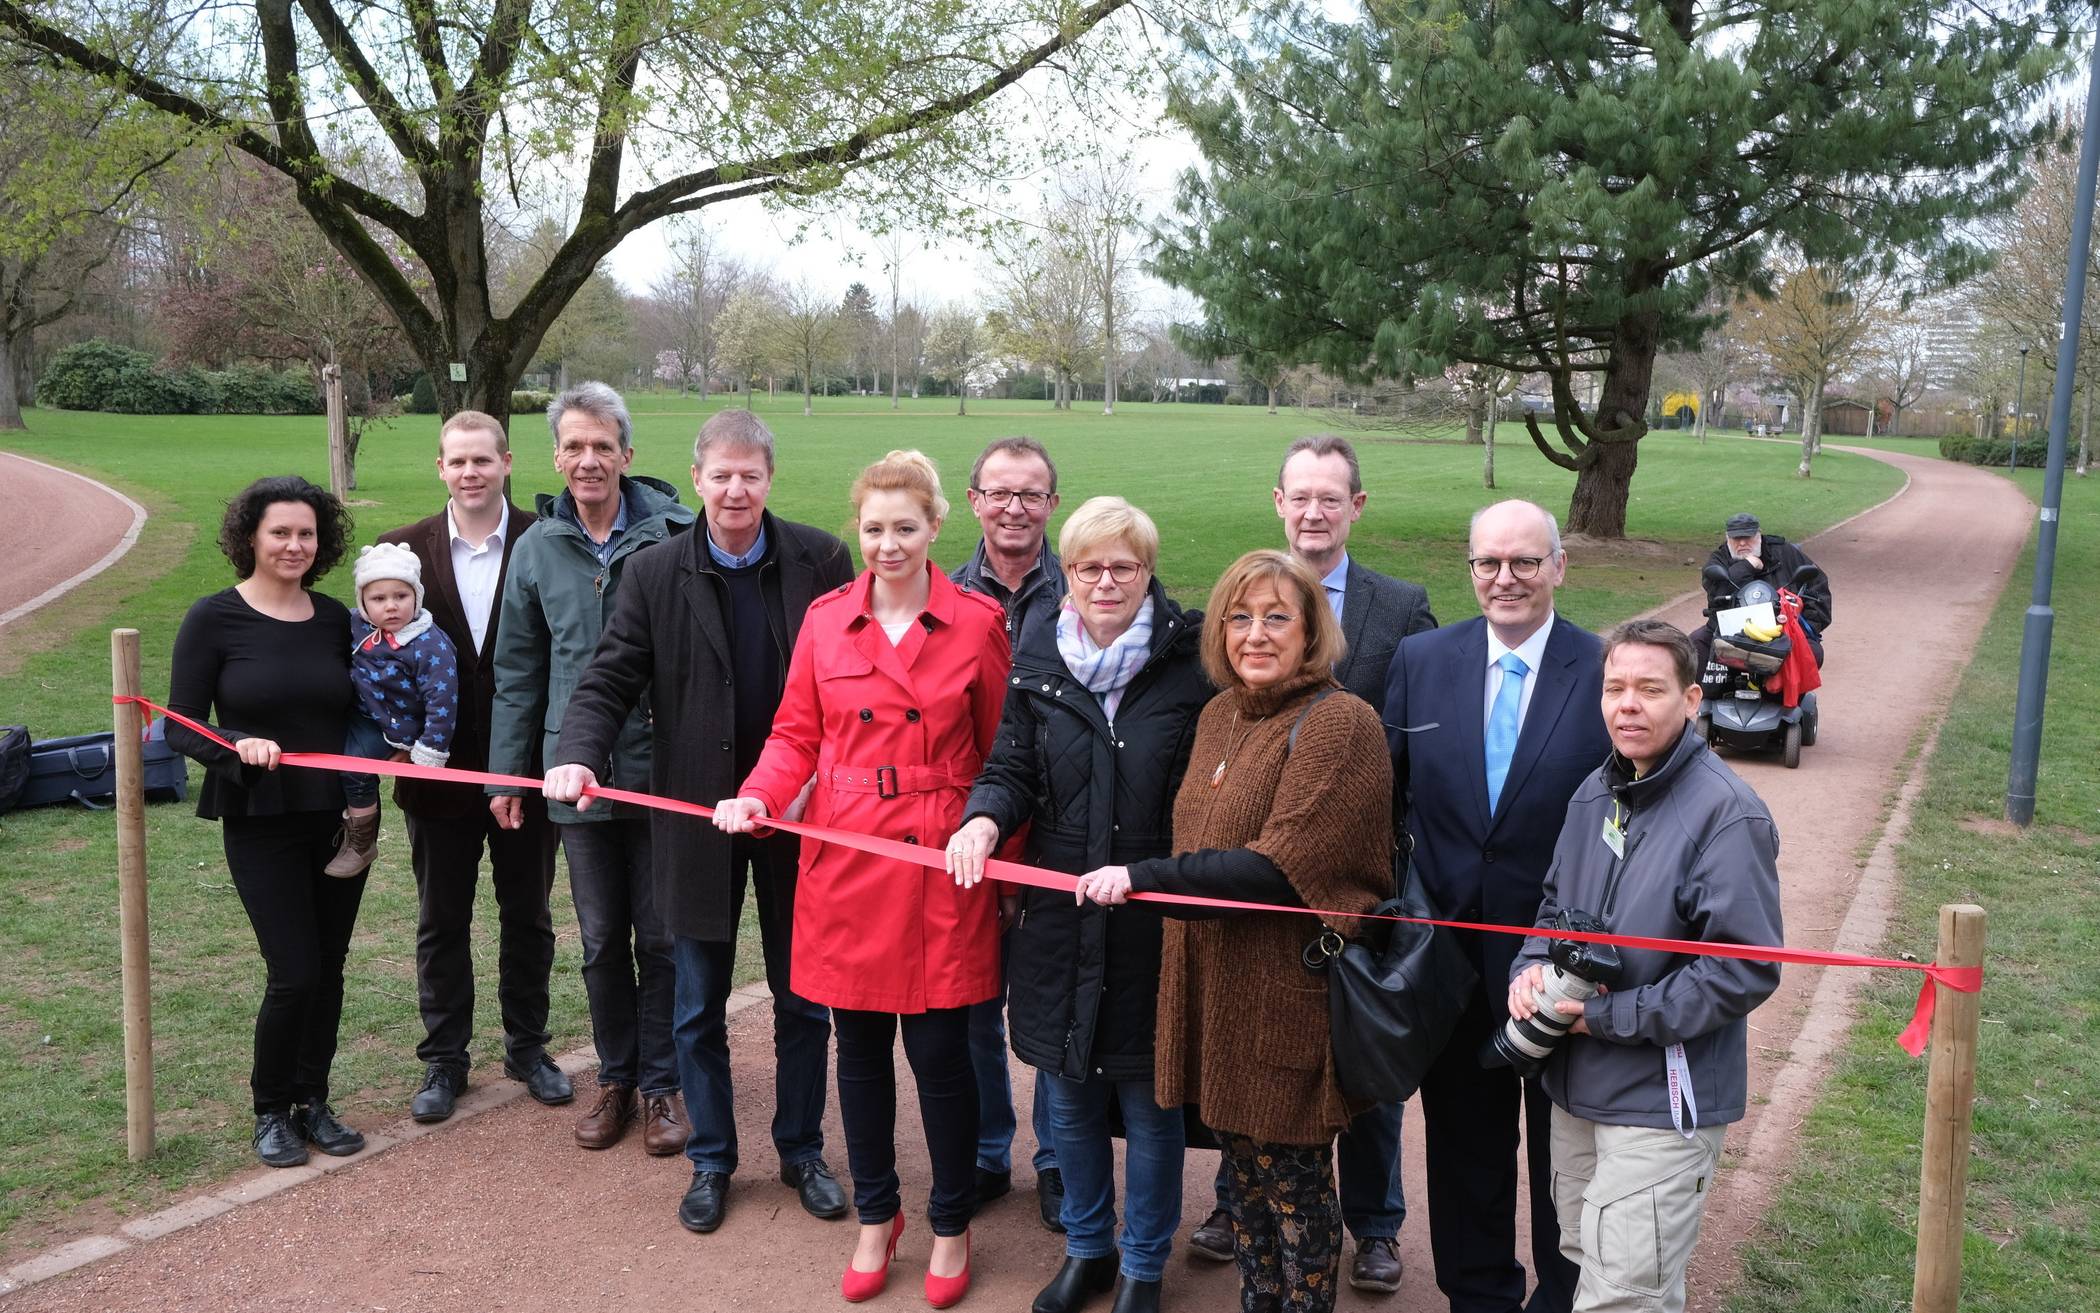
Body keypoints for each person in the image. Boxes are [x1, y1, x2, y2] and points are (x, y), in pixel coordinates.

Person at [545, 409, 855, 1235]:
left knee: (804, 999)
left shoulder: (822, 558)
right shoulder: (652, 573)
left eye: (750, 474)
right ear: (696, 480)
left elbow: (848, 679)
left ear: (770, 478)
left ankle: (800, 1150)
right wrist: (581, 753)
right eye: (721, 474)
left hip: (797, 813)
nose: (735, 489)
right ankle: (713, 1159)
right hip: (695, 813)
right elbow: (608, 680)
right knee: (695, 1005)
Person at [716, 450, 1010, 1308]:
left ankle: (951, 1222)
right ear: (860, 528)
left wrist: (1000, 855)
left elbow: (1003, 753)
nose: (888, 544)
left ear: (935, 526)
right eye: (874, 528)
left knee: (942, 1055)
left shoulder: (977, 621)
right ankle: (878, 1216)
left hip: (940, 861)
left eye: (905, 528)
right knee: (862, 1054)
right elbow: (794, 735)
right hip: (847, 858)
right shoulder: (824, 620)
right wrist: (759, 794)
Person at [1077, 549, 1395, 1313]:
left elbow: (1276, 867)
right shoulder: (1220, 715)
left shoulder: (1340, 723)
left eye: (1277, 616)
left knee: (1296, 1193)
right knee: (1244, 1189)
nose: (1255, 633)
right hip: (1216, 989)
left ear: (1312, 629)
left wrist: (1144, 878)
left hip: (1287, 997)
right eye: (1239, 617)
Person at [1184, 435, 1437, 1293]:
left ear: (1355, 505)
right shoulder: (1221, 711)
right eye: (1301, 495)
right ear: (1280, 500)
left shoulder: (1397, 613)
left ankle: (1376, 1224)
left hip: (1321, 917)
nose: (1315, 510)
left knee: (1343, 1108)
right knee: (1257, 1167)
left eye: (1332, 496)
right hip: (1229, 945)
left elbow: (1408, 751)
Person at [949, 497, 1210, 1313]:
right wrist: (984, 818)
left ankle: (1141, 1261)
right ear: (1069, 572)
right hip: (1060, 914)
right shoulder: (1040, 649)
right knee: (1067, 1089)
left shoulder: (1192, 658)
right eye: (1090, 566)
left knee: (1148, 1096)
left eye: (1123, 567)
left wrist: (1159, 876)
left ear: (1147, 572)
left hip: (1150, 910)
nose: (1106, 582)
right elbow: (1010, 764)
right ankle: (1089, 1247)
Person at [1508, 619, 1782, 1313]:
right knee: (1597, 1267)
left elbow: (1743, 968)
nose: (1627, 703)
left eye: (1649, 689)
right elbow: (1551, 907)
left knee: (1624, 1293)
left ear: (1691, 700)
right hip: (1578, 1092)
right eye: (1615, 687)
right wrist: (1530, 968)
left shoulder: (1728, 814)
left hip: (1661, 1102)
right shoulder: (1593, 794)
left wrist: (1600, 1017)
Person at [1381, 499, 1611, 1313]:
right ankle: (1478, 1295)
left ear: (1558, 566)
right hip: (1448, 965)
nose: (1504, 578)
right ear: (1470, 567)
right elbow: (1390, 795)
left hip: (1567, 968)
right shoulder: (1420, 659)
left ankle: (1564, 1295)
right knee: (1464, 1148)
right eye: (1488, 562)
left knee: (1566, 1152)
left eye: (1523, 561)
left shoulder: (1603, 667)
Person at [486, 382, 696, 1148]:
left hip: (660, 773)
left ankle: (664, 1085)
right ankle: (617, 1077)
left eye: (602, 445)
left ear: (628, 454)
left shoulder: (677, 535)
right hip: (571, 778)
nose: (587, 459)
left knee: (663, 936)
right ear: (555, 456)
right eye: (573, 446)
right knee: (603, 937)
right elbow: (518, 668)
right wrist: (510, 771)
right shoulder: (536, 548)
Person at [165, 475, 370, 1168]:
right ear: (250, 535)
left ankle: (313, 1099)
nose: (294, 544)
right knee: (294, 970)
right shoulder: (214, 618)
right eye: (280, 531)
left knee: (331, 967)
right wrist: (234, 745)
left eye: (306, 533)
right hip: (261, 815)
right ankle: (270, 1110)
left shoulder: (339, 618)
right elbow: (179, 727)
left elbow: (363, 709)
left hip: (341, 817)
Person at [374, 411, 562, 1126]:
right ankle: (444, 1058)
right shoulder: (401, 552)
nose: (471, 472)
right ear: (441, 467)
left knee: (529, 914)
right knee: (441, 918)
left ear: (507, 462)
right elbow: (376, 663)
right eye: (457, 461)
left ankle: (527, 1046)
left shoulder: (544, 541)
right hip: (436, 777)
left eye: (483, 459)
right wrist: (391, 736)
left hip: (525, 771)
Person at [949, 435, 1065, 1227]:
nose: (1014, 508)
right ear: (974, 501)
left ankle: (1058, 1158)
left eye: (1030, 494)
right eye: (1000, 493)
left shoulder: (1089, 583)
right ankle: (990, 1149)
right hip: (969, 827)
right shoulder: (942, 592)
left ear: (1052, 503)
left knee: (1054, 1005)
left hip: (1063, 829)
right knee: (971, 1003)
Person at [326, 543, 460, 877]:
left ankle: (361, 841)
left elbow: (442, 702)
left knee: (354, 766)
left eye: (401, 596)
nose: (391, 607)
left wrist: (430, 750)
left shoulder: (430, 644)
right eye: (378, 599)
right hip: (359, 712)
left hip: (394, 727)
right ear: (363, 603)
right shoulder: (357, 626)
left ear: (416, 596)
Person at [1693, 513, 1831, 667]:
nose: (1742, 542)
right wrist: (1747, 566)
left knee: (1812, 653)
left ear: (1759, 534)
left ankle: (1796, 692)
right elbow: (1716, 591)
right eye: (1736, 538)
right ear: (1727, 538)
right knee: (1694, 646)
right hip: (1731, 631)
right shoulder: (1719, 559)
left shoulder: (1785, 552)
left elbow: (1818, 588)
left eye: (1748, 537)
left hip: (1782, 629)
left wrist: (1804, 626)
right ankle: (1698, 691)